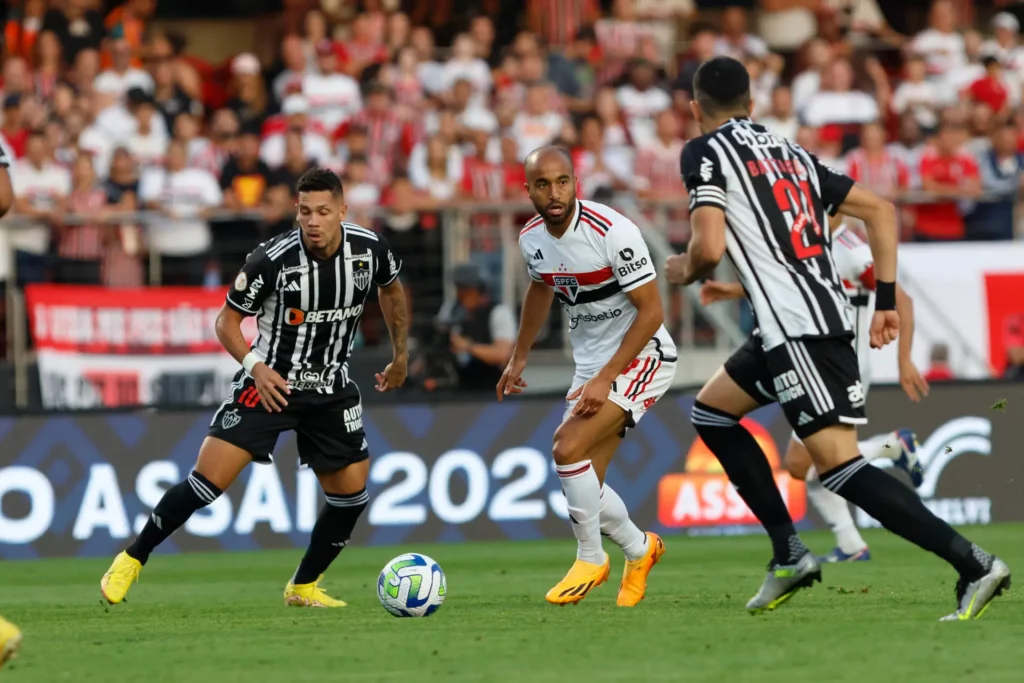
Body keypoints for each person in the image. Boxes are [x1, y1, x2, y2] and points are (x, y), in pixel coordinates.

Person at [664, 56, 1009, 620]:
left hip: (799, 330)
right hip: (802, 321)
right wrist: (888, 300)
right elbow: (882, 209)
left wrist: (684, 268)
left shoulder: (704, 152)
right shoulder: (793, 155)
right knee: (711, 414)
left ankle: (974, 564)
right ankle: (790, 553)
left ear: (695, 108)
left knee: (839, 468)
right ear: (752, 104)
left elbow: (706, 248)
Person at [99, 168, 409, 608]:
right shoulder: (272, 259)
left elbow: (392, 291)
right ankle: (132, 557)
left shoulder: (370, 249)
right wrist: (255, 365)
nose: (313, 221)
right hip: (270, 385)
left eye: (323, 211)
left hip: (330, 387)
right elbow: (226, 321)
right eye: (305, 212)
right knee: (207, 482)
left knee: (350, 498)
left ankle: (302, 587)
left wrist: (401, 355)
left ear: (343, 210)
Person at [498, 146, 675, 607]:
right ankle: (641, 550)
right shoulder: (532, 238)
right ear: (529, 190)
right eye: (543, 184)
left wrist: (606, 378)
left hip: (642, 356)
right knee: (586, 488)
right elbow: (540, 289)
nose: (554, 193)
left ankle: (591, 558)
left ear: (575, 181)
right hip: (591, 364)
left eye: (562, 181)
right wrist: (519, 357)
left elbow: (652, 312)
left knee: (565, 447)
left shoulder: (613, 231)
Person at [698, 213, 930, 563]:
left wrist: (904, 361)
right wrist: (731, 291)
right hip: (814, 363)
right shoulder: (811, 244)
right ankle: (852, 545)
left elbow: (902, 300)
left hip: (839, 368)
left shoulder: (850, 250)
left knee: (815, 462)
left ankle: (892, 448)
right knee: (805, 468)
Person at [436, 263, 515, 392]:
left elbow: (502, 354)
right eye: (458, 288)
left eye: (465, 289)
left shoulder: (498, 312)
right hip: (459, 385)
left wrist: (468, 347)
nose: (460, 294)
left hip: (492, 388)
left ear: (478, 290)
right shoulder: (452, 310)